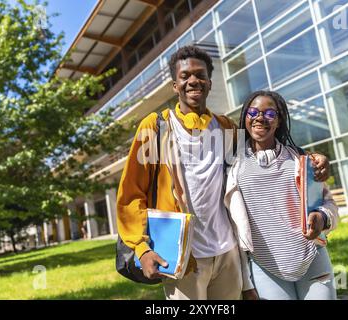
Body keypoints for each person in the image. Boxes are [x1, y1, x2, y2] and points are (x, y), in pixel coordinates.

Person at [116, 45, 330, 300]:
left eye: (200, 75)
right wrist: (141, 247)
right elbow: (131, 194)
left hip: (227, 253)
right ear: (175, 85)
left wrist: (315, 159)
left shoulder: (226, 128)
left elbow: (265, 149)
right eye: (185, 76)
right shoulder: (156, 127)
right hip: (184, 256)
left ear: (209, 83)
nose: (193, 80)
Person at [224, 90, 339, 300]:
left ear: (279, 121)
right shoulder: (232, 166)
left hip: (312, 258)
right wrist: (245, 282)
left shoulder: (300, 159)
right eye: (253, 112)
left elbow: (329, 203)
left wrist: (322, 218)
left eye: (270, 114)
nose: (260, 118)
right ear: (245, 117)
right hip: (265, 266)